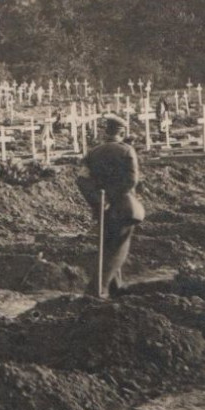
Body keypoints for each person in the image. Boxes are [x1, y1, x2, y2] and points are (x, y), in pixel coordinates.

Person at [77, 115, 145, 297]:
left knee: (108, 246)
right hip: (122, 207)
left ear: (105, 131)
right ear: (122, 132)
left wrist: (99, 200)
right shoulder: (126, 150)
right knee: (118, 250)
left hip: (102, 207)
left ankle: (115, 289)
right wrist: (114, 197)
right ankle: (97, 290)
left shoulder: (92, 153)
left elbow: (82, 180)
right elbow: (132, 180)